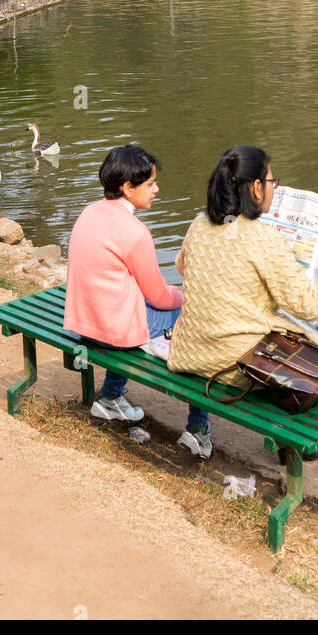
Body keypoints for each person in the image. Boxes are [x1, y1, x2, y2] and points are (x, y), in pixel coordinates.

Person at [167, 145, 318, 460]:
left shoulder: (200, 223)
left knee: (296, 334)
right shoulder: (262, 239)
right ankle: (298, 442)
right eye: (273, 182)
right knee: (313, 355)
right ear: (256, 187)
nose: (275, 189)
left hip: (191, 350)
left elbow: (182, 267)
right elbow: (309, 305)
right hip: (236, 365)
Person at [63, 145, 211, 451]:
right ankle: (198, 431)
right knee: (202, 326)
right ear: (128, 188)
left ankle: (110, 398)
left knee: (131, 306)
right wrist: (189, 300)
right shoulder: (135, 232)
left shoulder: (90, 211)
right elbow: (158, 296)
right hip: (113, 332)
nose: (157, 190)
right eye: (150, 184)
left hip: (84, 323)